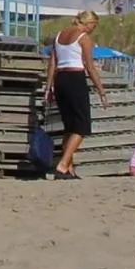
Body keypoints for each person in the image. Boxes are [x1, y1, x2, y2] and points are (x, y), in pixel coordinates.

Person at [44, 10, 109, 180]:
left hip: (60, 79)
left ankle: (69, 168)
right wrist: (101, 91)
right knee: (81, 126)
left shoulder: (59, 36)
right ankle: (62, 164)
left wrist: (49, 87)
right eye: (94, 26)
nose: (93, 29)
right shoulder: (83, 38)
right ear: (89, 23)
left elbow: (52, 62)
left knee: (69, 126)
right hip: (75, 79)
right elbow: (90, 67)